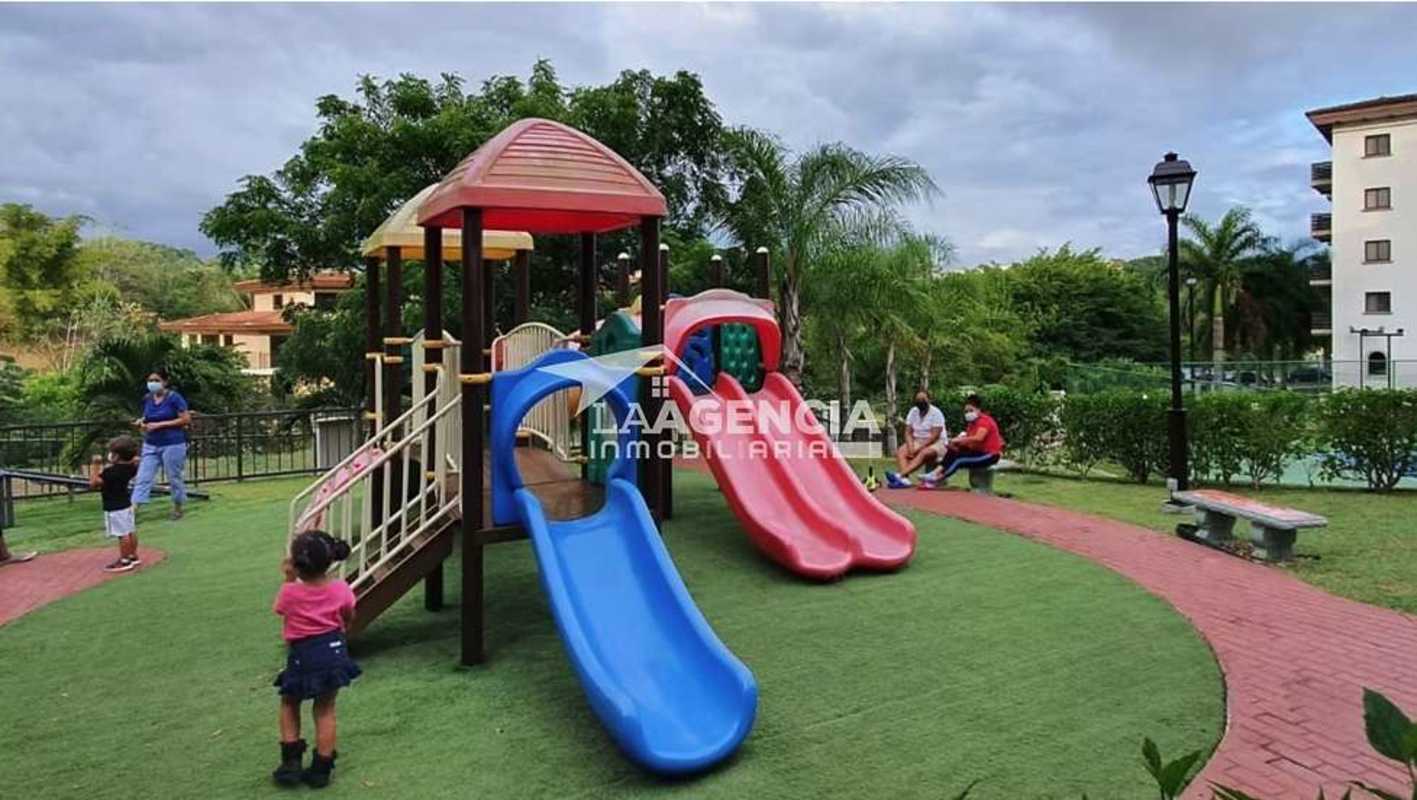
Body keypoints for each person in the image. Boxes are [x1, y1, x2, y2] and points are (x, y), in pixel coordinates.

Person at [272, 530, 361, 789]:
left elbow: (280, 609)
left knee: (290, 702)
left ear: (296, 564)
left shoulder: (290, 592)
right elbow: (349, 615)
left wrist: (288, 578)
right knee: (325, 709)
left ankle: (290, 763)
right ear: (330, 560)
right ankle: (321, 769)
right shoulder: (341, 589)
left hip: (303, 655)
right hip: (333, 653)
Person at [132, 369, 191, 520]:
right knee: (143, 477)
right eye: (150, 380)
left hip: (173, 444)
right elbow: (148, 416)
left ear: (164, 382)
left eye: (156, 380)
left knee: (174, 477)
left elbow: (185, 419)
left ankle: (178, 507)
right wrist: (142, 421)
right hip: (151, 443)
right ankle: (133, 510)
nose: (152, 383)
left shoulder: (174, 398)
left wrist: (161, 425)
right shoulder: (148, 398)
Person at [920, 393, 1005, 489]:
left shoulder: (984, 421)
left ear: (978, 410)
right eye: (966, 411)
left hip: (990, 455)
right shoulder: (971, 424)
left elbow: (978, 438)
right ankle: (934, 473)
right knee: (953, 451)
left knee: (959, 460)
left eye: (971, 410)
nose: (968, 413)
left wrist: (960, 440)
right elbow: (970, 443)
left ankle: (936, 479)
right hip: (978, 452)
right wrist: (956, 444)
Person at [88, 435, 141, 573]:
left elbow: (94, 483)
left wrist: (95, 465)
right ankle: (133, 555)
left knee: (121, 534)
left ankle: (125, 560)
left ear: (116, 456)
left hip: (114, 506)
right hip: (126, 503)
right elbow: (135, 460)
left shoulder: (110, 472)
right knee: (130, 530)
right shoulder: (131, 467)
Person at [886, 390, 947, 488]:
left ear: (929, 400)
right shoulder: (913, 411)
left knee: (924, 453)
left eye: (923, 399)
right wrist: (910, 447)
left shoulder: (936, 413)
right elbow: (908, 432)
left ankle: (899, 475)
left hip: (937, 443)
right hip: (918, 440)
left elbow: (934, 436)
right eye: (918, 399)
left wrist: (919, 449)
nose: (920, 401)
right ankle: (904, 480)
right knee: (901, 451)